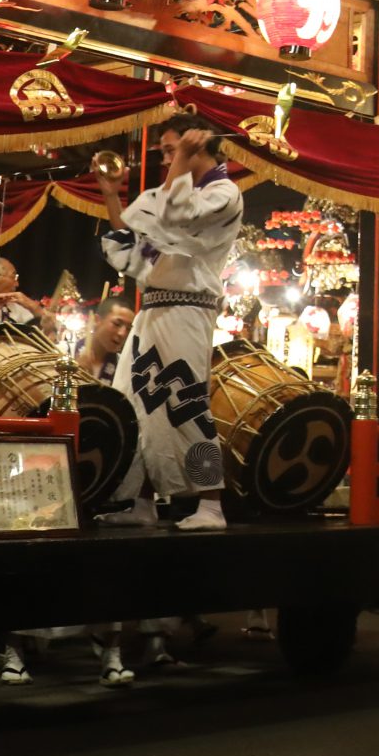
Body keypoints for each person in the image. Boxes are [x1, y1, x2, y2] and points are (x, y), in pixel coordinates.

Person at [101, 123, 242, 531]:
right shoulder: (175, 192)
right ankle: (142, 501)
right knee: (134, 402)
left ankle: (212, 504)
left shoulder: (224, 192)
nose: (166, 159)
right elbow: (132, 244)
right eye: (166, 152)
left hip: (188, 309)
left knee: (185, 399)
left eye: (169, 150)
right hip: (154, 310)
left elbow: (176, 216)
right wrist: (111, 194)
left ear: (196, 145)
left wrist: (181, 158)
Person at [77, 295, 135, 383]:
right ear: (97, 320)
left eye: (128, 329)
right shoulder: (64, 351)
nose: (122, 333)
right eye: (117, 324)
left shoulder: (124, 367)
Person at [0, 257, 42, 328]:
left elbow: (45, 327)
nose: (17, 284)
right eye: (13, 277)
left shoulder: (15, 305)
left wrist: (32, 306)